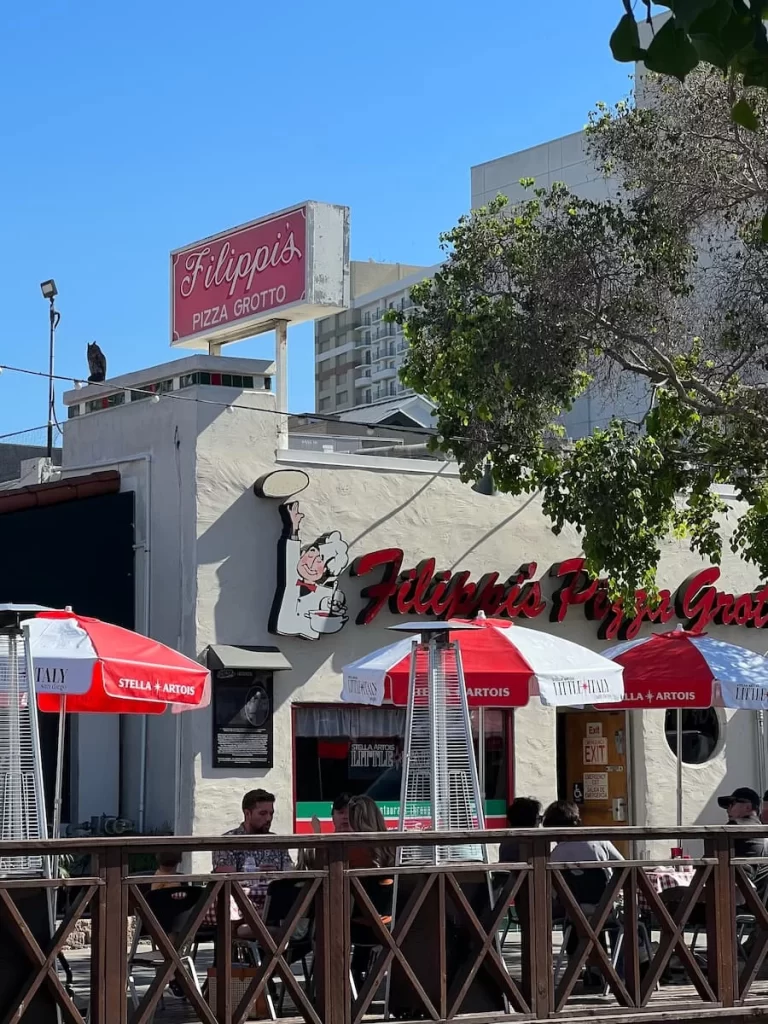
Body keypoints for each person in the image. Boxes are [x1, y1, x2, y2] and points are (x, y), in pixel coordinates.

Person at [543, 800, 623, 988]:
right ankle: (623, 972)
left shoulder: (555, 854)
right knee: (625, 920)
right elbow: (624, 867)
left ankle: (585, 968)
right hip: (606, 908)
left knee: (575, 921)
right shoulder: (598, 841)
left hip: (575, 913)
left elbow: (554, 891)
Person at [212, 789, 293, 916]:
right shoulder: (228, 841)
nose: (268, 818)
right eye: (262, 813)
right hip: (242, 906)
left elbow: (290, 875)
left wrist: (277, 875)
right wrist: (253, 874)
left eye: (271, 813)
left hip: (275, 904)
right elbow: (226, 882)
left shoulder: (276, 841)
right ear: (247, 813)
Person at [346, 795, 394, 990]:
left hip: (360, 928)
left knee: (323, 929)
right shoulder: (393, 847)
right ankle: (360, 973)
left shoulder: (351, 851)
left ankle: (328, 992)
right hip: (392, 924)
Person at [717, 787, 768, 887]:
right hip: (753, 893)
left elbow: (713, 859)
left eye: (732, 804)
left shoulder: (735, 826)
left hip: (733, 892)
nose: (728, 810)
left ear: (748, 807)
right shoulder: (761, 829)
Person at [298, 793, 352, 870]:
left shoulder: (363, 844)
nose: (345, 817)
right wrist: (317, 835)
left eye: (349, 813)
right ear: (333, 816)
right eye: (341, 813)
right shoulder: (326, 843)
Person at [499, 797, 542, 864]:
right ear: (531, 820)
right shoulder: (531, 842)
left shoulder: (507, 840)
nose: (540, 822)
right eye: (539, 818)